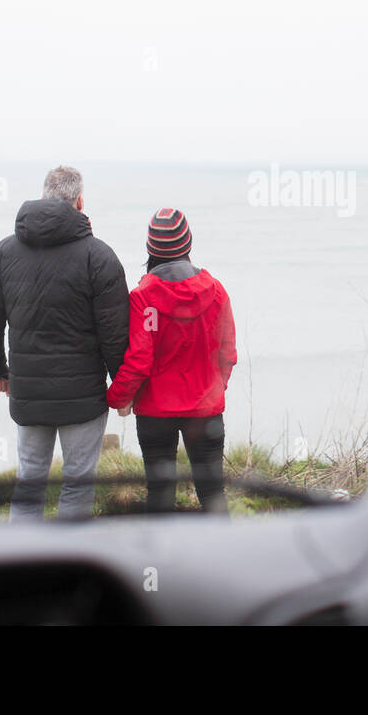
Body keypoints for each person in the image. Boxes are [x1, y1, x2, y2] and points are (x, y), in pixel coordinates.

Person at [0, 166, 128, 521]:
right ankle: (69, 569)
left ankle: (23, 567)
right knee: (78, 483)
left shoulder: (1, 254)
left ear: (42, 198)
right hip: (84, 397)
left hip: (29, 393)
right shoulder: (99, 256)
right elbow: (115, 331)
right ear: (80, 202)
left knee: (29, 480)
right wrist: (123, 385)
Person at [106, 208, 236, 514]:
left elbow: (139, 359)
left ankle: (158, 561)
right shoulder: (216, 292)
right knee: (213, 493)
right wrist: (215, 390)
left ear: (151, 249)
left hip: (155, 412)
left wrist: (117, 398)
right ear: (188, 244)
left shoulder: (142, 296)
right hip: (205, 409)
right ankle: (225, 556)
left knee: (160, 493)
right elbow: (227, 354)